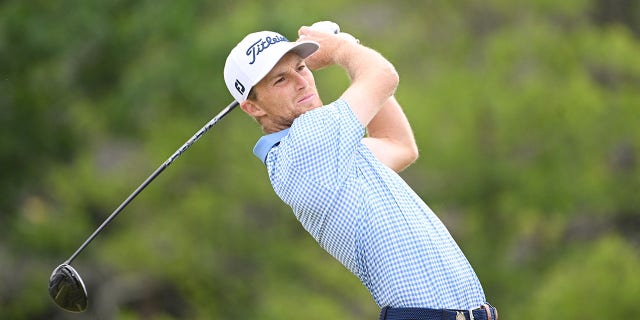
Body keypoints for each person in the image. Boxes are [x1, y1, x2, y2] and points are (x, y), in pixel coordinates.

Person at [223, 24, 498, 320]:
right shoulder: (306, 144)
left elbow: (400, 146)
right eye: (280, 80)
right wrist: (342, 49)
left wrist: (348, 49)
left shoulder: (325, 151)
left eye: (301, 67)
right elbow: (383, 76)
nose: (301, 82)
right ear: (252, 107)